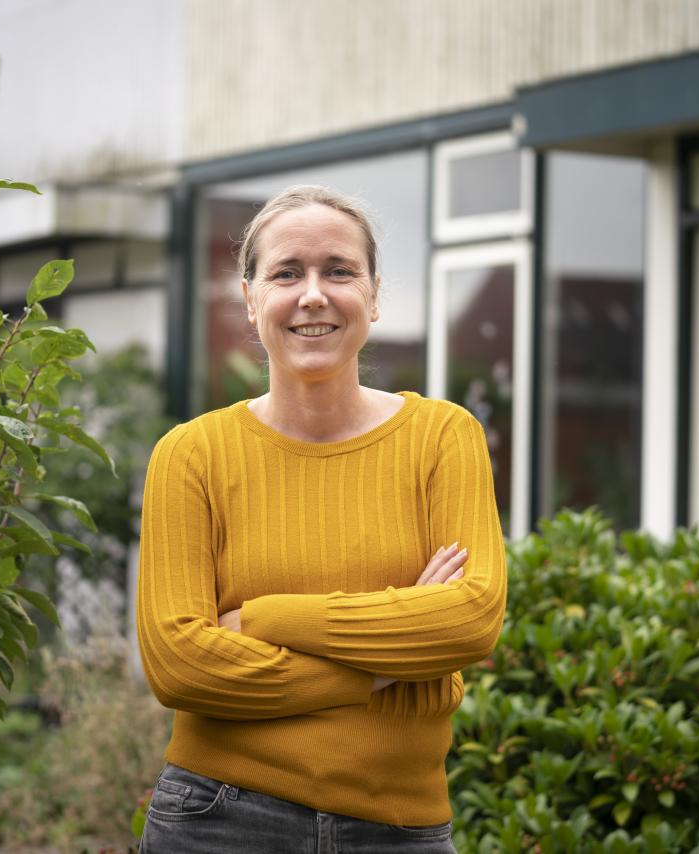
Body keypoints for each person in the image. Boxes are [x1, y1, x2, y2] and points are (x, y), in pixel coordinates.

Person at [135, 185, 506, 853]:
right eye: (286, 272)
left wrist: (266, 619)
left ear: (373, 294)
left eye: (338, 270)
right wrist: (387, 663)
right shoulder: (191, 455)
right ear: (250, 299)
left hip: (400, 828)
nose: (313, 294)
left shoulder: (443, 438)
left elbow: (470, 620)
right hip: (217, 822)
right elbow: (179, 666)